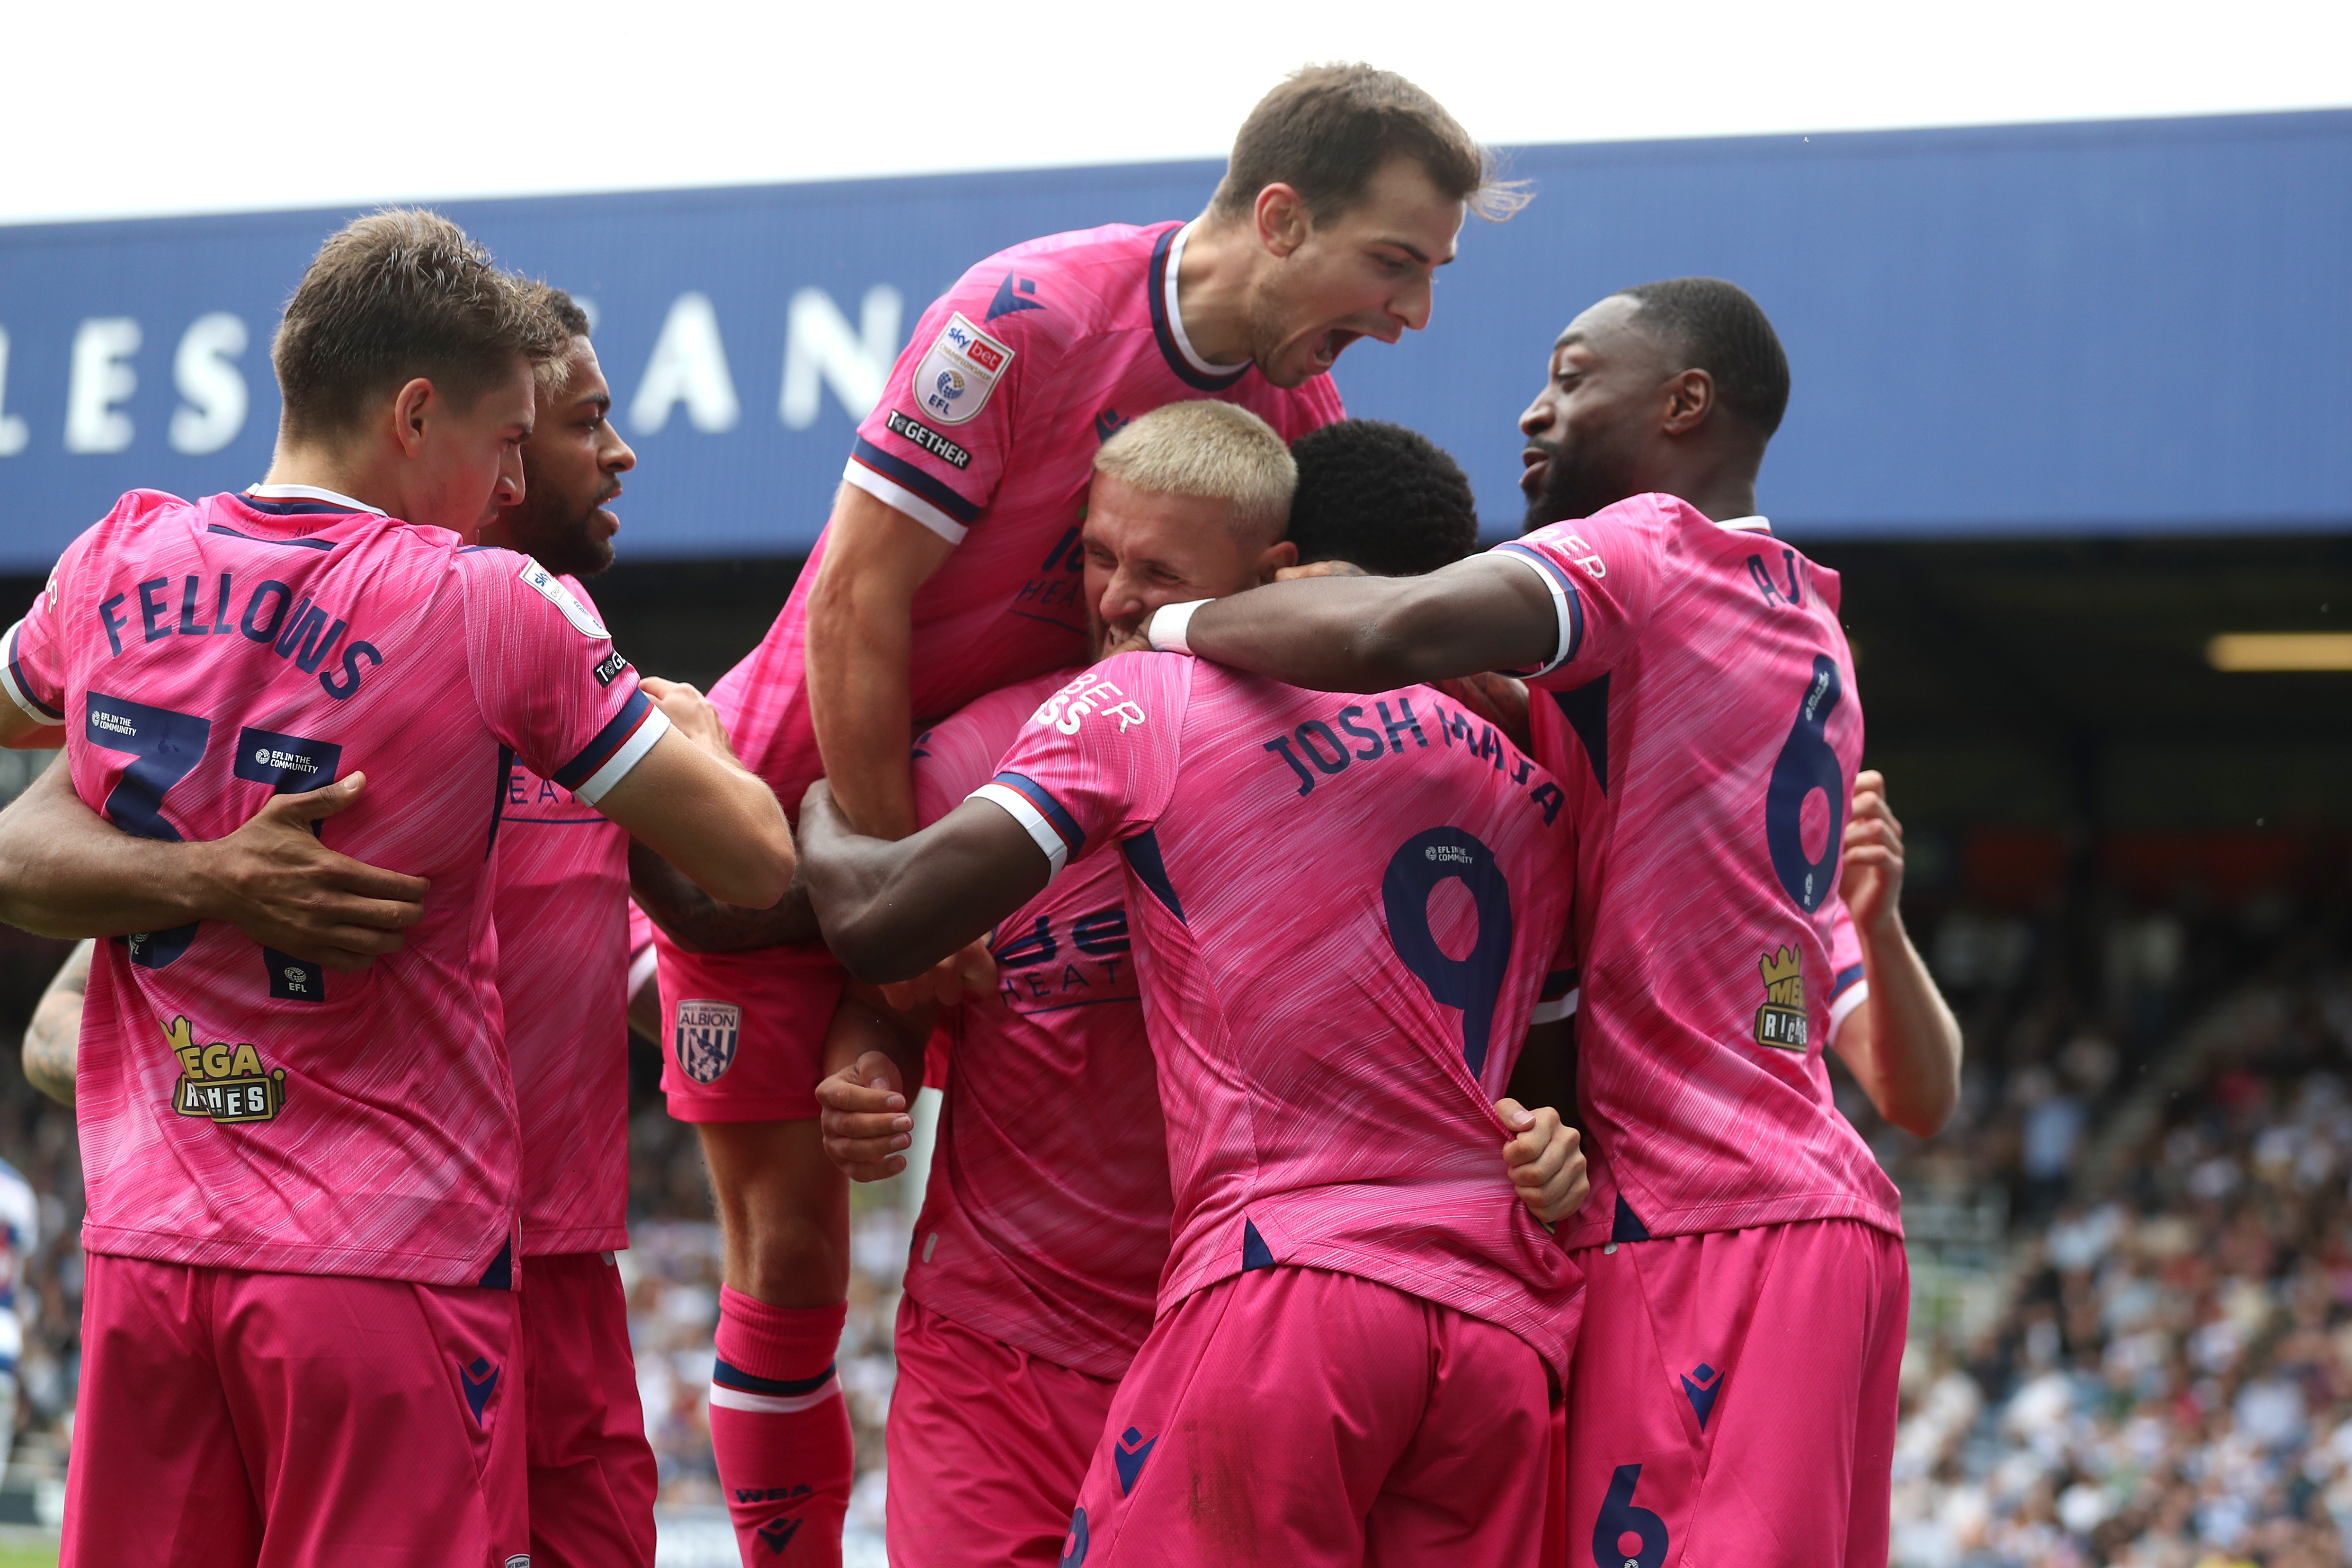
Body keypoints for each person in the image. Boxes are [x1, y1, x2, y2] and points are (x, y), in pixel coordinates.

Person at [630, 62, 1515, 1565]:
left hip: (1017, 822)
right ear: (1283, 217)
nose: (1414, 311)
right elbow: (860, 596)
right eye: (1397, 263)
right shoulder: (1027, 313)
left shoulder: (1302, 408)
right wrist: (892, 887)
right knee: (791, 1249)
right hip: (800, 813)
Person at [1124, 277, 1963, 1567]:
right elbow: (1790, 996)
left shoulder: (1645, 553)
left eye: (1574, 378)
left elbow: (1397, 627)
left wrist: (1164, 623)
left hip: (1702, 1226)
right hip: (1830, 1222)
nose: (1535, 408)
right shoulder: (1808, 627)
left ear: (1685, 403)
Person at [0, 209, 793, 1567]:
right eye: (513, 439)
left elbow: (33, 747)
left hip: (157, 1249)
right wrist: (712, 744)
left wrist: (194, 864)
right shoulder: (487, 609)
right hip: (389, 1261)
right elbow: (757, 863)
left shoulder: (115, 557)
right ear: (418, 415)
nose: (508, 484)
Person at [793, 409, 1583, 1566]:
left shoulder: (1143, 710)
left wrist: (808, 794)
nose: (1118, 600)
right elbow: (891, 986)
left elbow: (876, 915)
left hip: (1260, 1303)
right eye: (1099, 559)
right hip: (1031, 1335)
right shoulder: (1525, 773)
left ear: (1277, 580)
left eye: (1159, 575)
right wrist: (865, 1062)